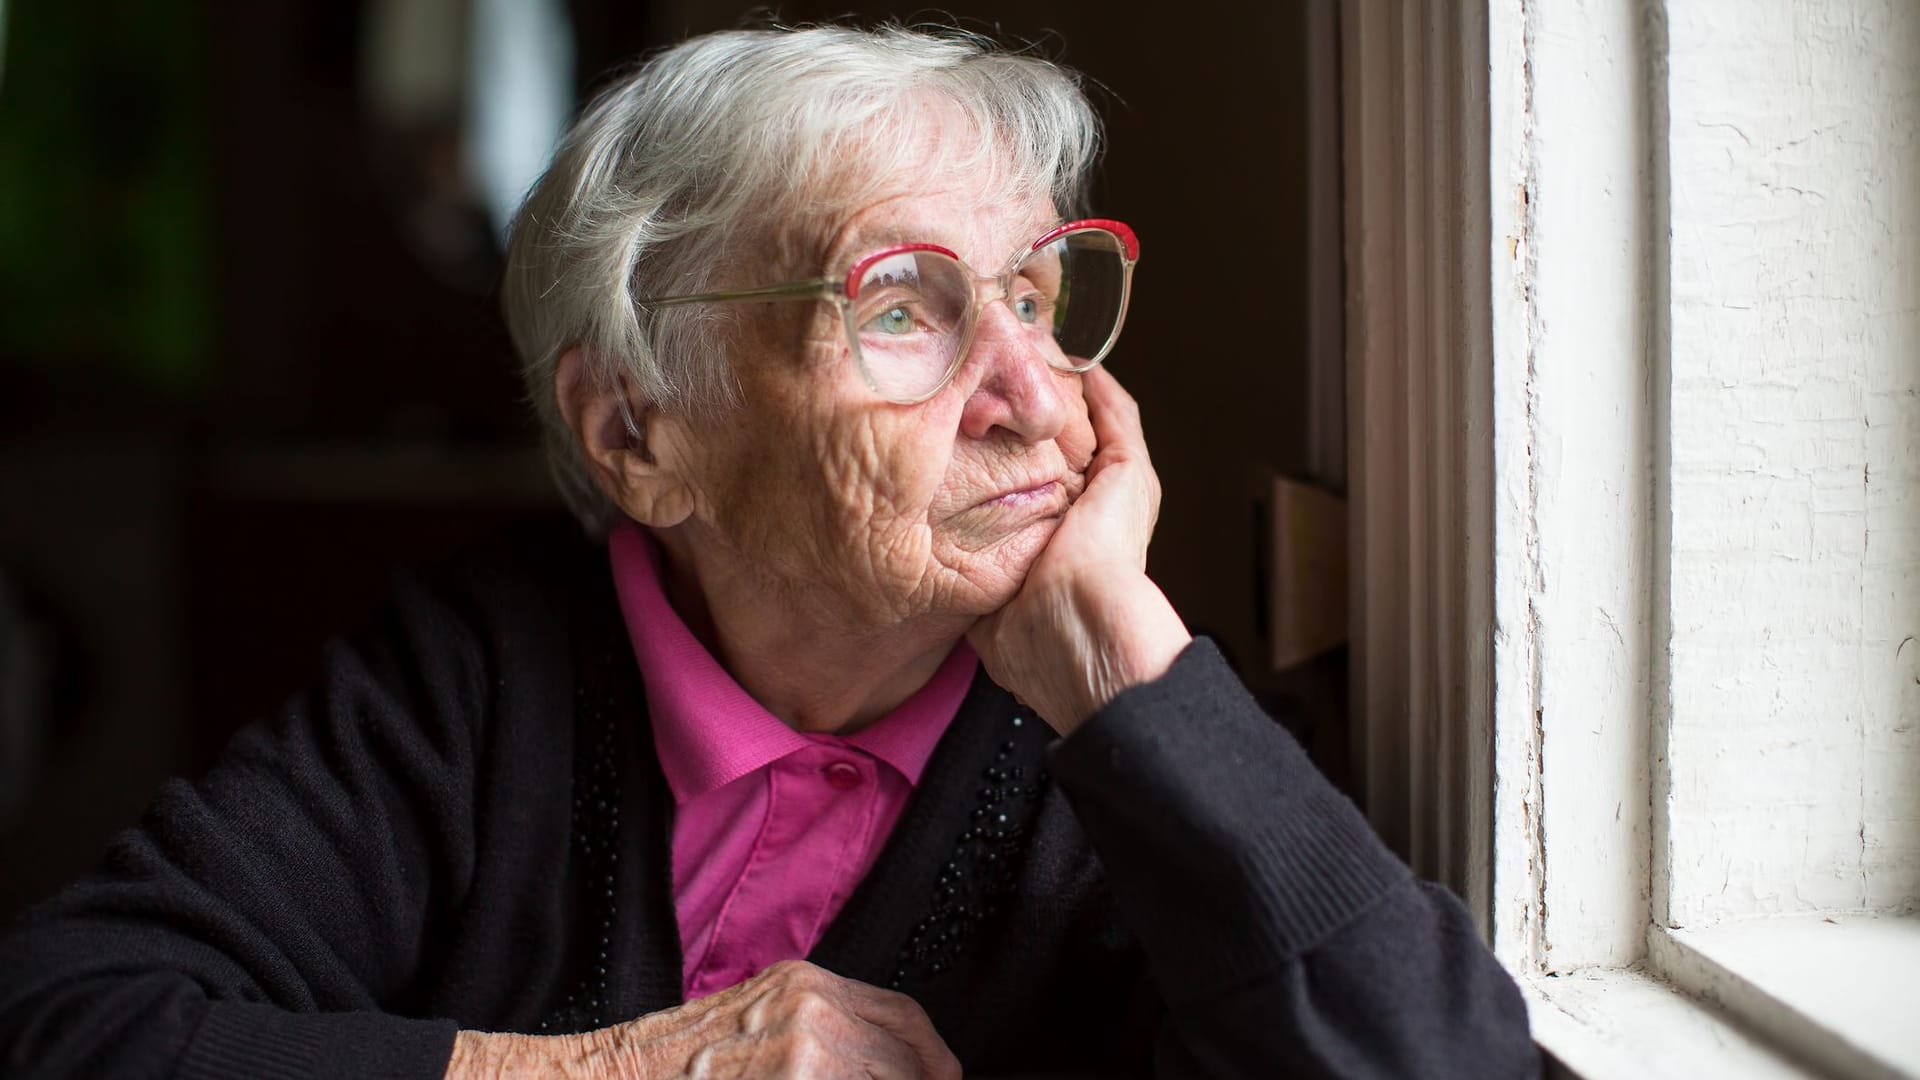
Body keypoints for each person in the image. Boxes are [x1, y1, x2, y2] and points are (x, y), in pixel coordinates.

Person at [0, 24, 1537, 1079]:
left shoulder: (1134, 746)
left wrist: (1133, 671)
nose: (1029, 397)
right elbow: (63, 1025)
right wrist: (621, 1071)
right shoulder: (478, 680)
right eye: (901, 307)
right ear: (639, 435)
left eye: (1035, 295)